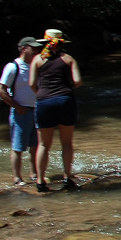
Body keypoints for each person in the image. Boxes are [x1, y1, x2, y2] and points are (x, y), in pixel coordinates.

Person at [29, 28, 82, 192]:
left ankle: (40, 181)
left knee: (44, 144)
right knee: (66, 142)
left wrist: (42, 94)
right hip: (65, 101)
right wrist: (65, 88)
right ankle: (67, 178)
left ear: (45, 42)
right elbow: (78, 81)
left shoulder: (37, 59)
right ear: (61, 43)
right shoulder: (68, 59)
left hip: (44, 102)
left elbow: (32, 83)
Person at [0, 37, 43, 186]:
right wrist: (18, 107)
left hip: (36, 110)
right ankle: (17, 178)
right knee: (18, 148)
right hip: (20, 113)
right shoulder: (12, 67)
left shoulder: (36, 65)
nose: (36, 50)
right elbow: (1, 91)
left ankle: (34, 173)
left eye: (37, 48)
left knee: (35, 146)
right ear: (23, 48)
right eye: (32, 48)